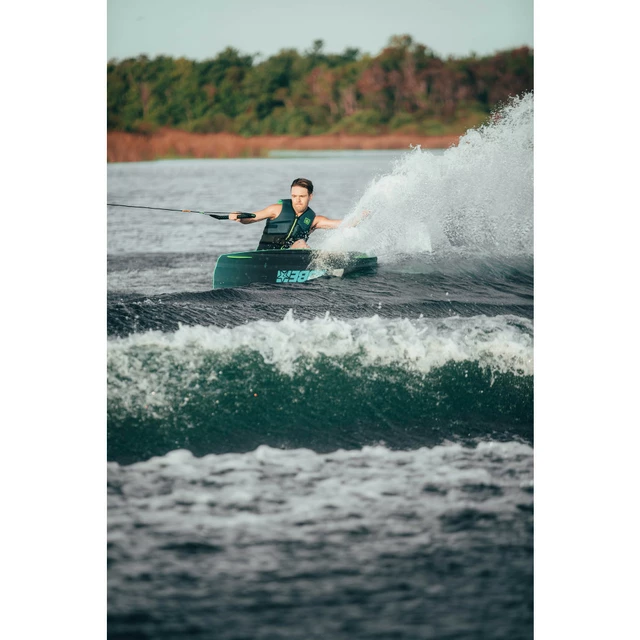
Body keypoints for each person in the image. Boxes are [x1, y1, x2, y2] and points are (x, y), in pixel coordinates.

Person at [229, 178, 365, 250]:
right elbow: (251, 218)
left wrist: (360, 217)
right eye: (294, 196)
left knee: (300, 243)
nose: (297, 200)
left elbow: (343, 224)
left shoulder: (314, 220)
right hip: (265, 255)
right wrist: (239, 215)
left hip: (290, 259)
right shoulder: (276, 209)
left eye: (302, 196)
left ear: (310, 196)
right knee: (300, 243)